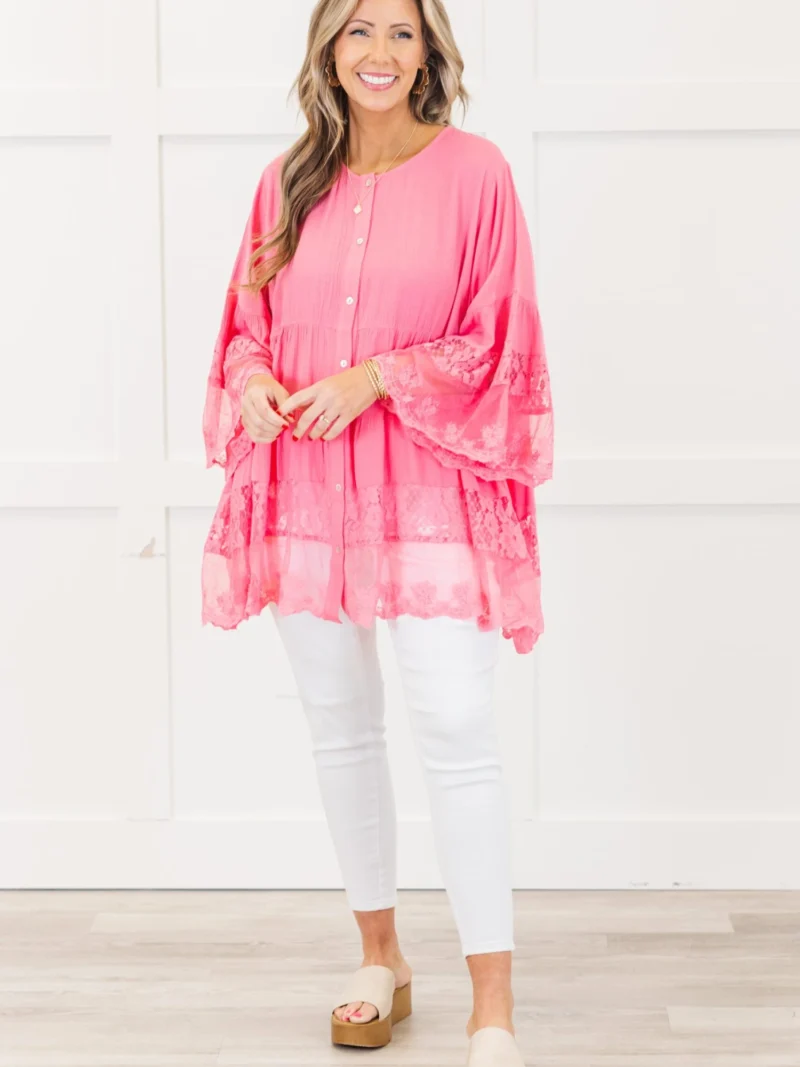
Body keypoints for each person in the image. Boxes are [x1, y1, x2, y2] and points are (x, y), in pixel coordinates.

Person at [201, 1, 554, 1063]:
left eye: (401, 32)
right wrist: (254, 382)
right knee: (340, 724)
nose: (379, 53)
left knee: (455, 722)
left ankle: (491, 999)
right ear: (327, 50)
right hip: (307, 484)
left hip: (431, 484)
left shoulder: (477, 174)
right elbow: (245, 328)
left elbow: (499, 336)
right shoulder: (286, 181)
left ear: (430, 52)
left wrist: (376, 377)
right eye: (358, 31)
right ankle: (381, 955)